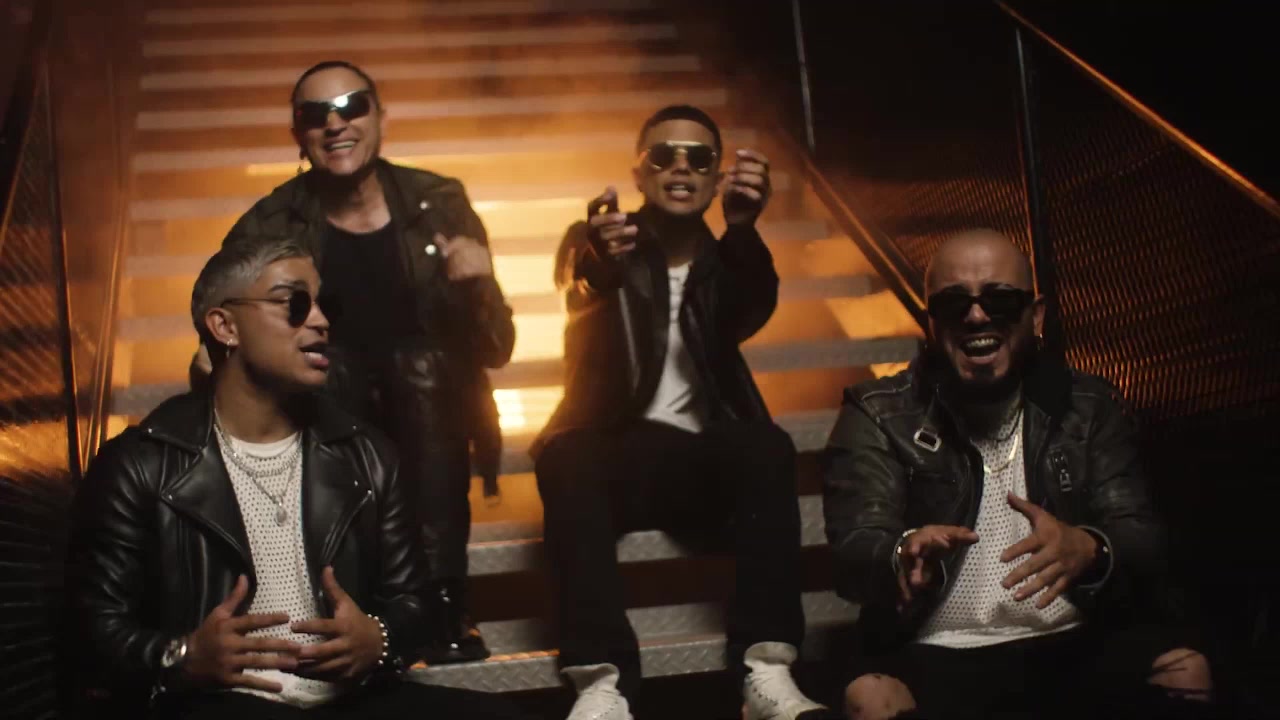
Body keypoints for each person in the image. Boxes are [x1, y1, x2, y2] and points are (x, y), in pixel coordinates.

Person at [68, 239, 527, 718]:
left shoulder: (368, 456)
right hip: (223, 705)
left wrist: (379, 637)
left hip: (348, 701)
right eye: (295, 304)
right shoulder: (140, 464)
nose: (321, 321)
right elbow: (93, 634)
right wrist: (183, 657)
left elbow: (414, 602)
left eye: (323, 306)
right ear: (225, 326)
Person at [189, 60, 513, 663]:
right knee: (333, 373)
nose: (335, 123)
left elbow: (497, 349)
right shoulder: (271, 222)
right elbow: (225, 317)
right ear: (298, 134)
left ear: (380, 116)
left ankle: (442, 603)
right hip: (324, 405)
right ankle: (349, 604)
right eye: (316, 114)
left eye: (351, 106)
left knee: (420, 369)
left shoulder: (438, 201)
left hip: (429, 410)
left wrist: (479, 286)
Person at [823, 229, 1214, 719]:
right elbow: (855, 544)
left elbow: (1141, 535)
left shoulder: (1087, 405)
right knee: (871, 698)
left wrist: (1091, 548)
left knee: (1185, 673)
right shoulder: (879, 412)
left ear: (1037, 315)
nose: (977, 316)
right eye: (954, 304)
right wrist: (901, 554)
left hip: (1073, 642)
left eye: (1001, 300)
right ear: (931, 321)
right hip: (937, 649)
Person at [532, 105, 833, 720]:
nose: (680, 167)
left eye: (698, 159)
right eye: (662, 155)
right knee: (565, 454)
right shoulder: (602, 241)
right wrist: (602, 263)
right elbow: (579, 281)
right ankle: (601, 683)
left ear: (717, 178)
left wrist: (742, 229)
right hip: (619, 456)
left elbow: (748, 311)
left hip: (702, 464)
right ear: (638, 174)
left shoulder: (728, 260)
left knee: (768, 445)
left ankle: (765, 668)